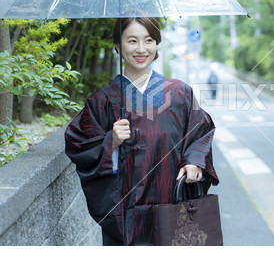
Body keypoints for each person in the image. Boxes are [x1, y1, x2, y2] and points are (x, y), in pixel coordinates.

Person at [64, 17, 219, 246]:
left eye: (148, 40)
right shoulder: (103, 100)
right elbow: (78, 143)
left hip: (174, 206)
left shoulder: (178, 92)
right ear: (118, 45)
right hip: (128, 214)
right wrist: (111, 142)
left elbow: (201, 130)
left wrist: (194, 161)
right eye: (132, 40)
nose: (140, 49)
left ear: (156, 44)